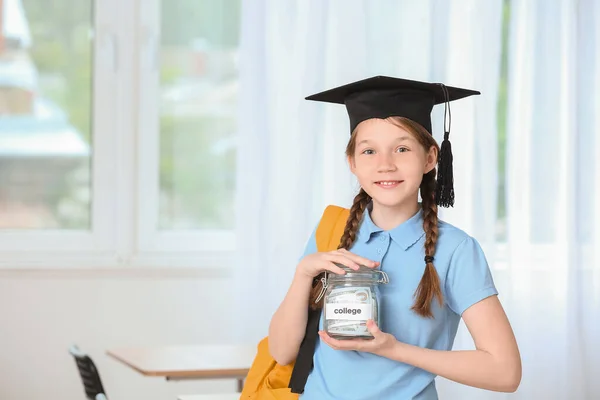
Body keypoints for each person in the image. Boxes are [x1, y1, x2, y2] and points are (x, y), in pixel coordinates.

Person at [268, 76, 521, 399]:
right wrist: (304, 272)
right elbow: (281, 351)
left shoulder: (456, 250)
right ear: (352, 163)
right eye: (369, 151)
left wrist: (394, 349)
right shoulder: (331, 231)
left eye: (402, 149)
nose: (385, 165)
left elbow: (505, 372)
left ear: (430, 158)